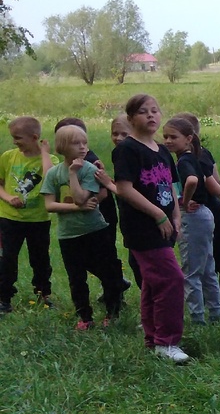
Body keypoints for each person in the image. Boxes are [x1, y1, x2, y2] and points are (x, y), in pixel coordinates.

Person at [113, 95, 190, 364]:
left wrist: (176, 215)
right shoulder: (127, 149)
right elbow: (124, 188)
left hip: (166, 225)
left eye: (155, 111)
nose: (151, 116)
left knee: (153, 283)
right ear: (131, 117)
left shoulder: (162, 151)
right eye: (144, 112)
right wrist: (158, 214)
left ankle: (153, 337)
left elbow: (171, 185)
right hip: (142, 227)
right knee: (172, 279)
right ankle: (167, 342)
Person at [41, 125, 125, 329]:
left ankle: (112, 313)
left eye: (84, 143)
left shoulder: (89, 170)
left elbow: (80, 197)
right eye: (76, 143)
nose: (82, 147)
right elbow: (50, 205)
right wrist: (74, 207)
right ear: (62, 146)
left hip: (95, 230)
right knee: (76, 277)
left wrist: (72, 175)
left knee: (108, 272)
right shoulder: (53, 174)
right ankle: (85, 317)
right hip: (68, 235)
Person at [54, 117, 130, 300]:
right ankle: (115, 285)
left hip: (101, 214)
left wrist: (83, 205)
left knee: (104, 257)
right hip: (83, 219)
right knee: (88, 259)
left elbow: (103, 193)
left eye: (81, 141)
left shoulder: (88, 160)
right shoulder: (69, 163)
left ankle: (115, 289)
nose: (79, 145)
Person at [162, 117, 220, 325]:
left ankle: (197, 319)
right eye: (165, 137)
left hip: (194, 217)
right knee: (207, 268)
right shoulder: (192, 156)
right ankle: (215, 312)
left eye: (173, 137)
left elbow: (192, 180)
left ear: (188, 139)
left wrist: (184, 202)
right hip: (204, 215)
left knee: (191, 271)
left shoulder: (184, 160)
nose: (168, 141)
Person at [174, 112, 220, 300]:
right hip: (207, 209)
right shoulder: (202, 152)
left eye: (173, 136)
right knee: (208, 254)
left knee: (216, 252)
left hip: (208, 208)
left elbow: (216, 188)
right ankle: (215, 293)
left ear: (188, 137)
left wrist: (188, 197)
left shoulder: (197, 157)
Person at [0, 116, 56, 313]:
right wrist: (8, 198)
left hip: (39, 219)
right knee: (8, 258)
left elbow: (51, 178)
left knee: (40, 259)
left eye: (18, 138)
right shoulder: (8, 156)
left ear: (34, 137)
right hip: (9, 219)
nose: (14, 142)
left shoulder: (49, 160)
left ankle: (43, 294)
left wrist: (45, 153)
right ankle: (4, 297)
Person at [110, 114, 144, 287]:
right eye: (115, 133)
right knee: (135, 260)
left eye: (124, 134)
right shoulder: (122, 153)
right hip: (128, 217)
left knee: (139, 261)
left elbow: (127, 190)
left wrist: (106, 183)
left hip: (139, 216)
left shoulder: (128, 152)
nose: (118, 138)